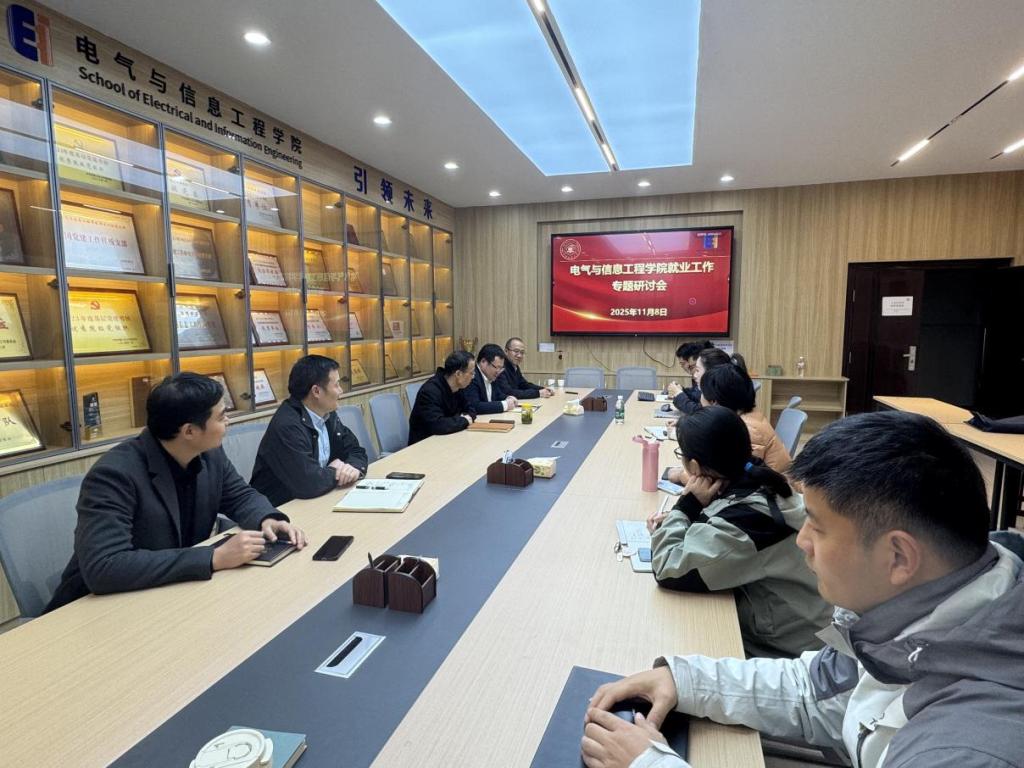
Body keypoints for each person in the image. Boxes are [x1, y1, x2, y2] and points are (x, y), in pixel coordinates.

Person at [582, 411, 1024, 768]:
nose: (801, 541)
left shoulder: (965, 746)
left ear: (898, 557)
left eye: (817, 525)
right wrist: (685, 679)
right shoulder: (906, 614)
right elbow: (816, 692)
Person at [46, 373, 307, 612]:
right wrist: (214, 557)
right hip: (95, 609)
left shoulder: (209, 453)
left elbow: (239, 495)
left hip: (167, 595)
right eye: (221, 417)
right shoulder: (114, 474)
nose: (228, 421)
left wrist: (268, 518)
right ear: (189, 431)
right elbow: (105, 567)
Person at [647, 405, 829, 658]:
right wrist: (686, 516)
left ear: (694, 466)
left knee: (671, 637)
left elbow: (669, 568)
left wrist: (685, 507)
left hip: (786, 647)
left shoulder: (748, 517)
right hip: (796, 621)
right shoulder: (754, 481)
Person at [250, 355, 368, 506]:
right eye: (336, 385)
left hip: (317, 499)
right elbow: (308, 482)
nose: (341, 391)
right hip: (280, 508)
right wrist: (335, 472)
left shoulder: (326, 414)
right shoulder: (287, 425)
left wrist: (353, 468)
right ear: (316, 391)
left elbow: (356, 450)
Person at [699, 362, 792, 472]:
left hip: (768, 482)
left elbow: (734, 475)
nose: (700, 398)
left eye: (702, 393)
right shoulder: (748, 414)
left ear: (714, 402)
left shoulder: (747, 430)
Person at [408, 350, 477, 445]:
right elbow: (438, 425)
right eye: (471, 373)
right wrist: (464, 420)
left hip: (448, 440)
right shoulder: (429, 391)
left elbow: (471, 410)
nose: (473, 377)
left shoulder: (458, 387)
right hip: (425, 445)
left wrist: (461, 420)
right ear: (458, 374)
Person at [464, 343, 518, 414]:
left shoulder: (491, 375)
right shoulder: (472, 376)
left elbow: (498, 395)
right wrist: (505, 405)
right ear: (483, 361)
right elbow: (475, 406)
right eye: (496, 367)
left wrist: (508, 398)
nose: (498, 371)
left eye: (501, 368)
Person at [664, 341, 712, 415]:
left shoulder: (714, 383)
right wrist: (681, 391)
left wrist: (679, 394)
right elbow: (697, 399)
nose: (694, 375)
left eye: (693, 367)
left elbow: (700, 413)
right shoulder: (707, 378)